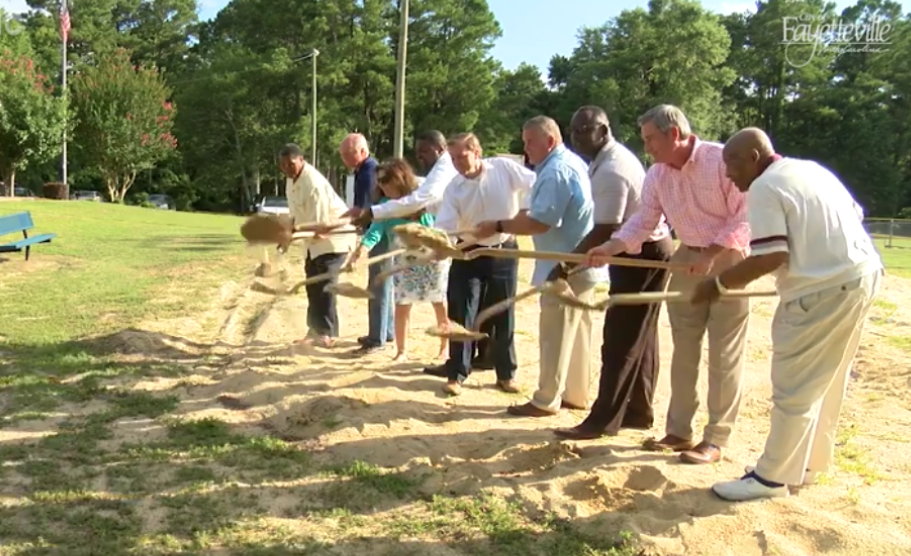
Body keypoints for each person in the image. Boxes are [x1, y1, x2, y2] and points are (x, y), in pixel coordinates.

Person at [689, 128, 883, 501]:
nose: (728, 174)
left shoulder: (764, 187)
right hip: (862, 275)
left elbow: (771, 256)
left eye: (731, 163)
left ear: (755, 157)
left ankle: (772, 479)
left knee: (794, 386)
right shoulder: (810, 170)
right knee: (824, 382)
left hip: (822, 290)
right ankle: (805, 465)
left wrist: (717, 285)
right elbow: (854, 214)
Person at [585, 104, 751, 465]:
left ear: (673, 133)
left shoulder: (723, 160)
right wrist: (610, 247)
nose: (647, 148)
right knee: (685, 348)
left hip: (729, 260)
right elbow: (643, 221)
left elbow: (744, 217)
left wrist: (712, 253)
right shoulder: (658, 173)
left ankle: (715, 438)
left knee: (724, 353)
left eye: (650, 139)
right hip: (686, 259)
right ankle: (679, 430)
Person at [553, 105, 674, 439]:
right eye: (574, 130)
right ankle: (637, 411)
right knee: (642, 337)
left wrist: (564, 266)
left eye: (584, 130)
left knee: (620, 339)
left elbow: (606, 229)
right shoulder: (607, 160)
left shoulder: (611, 170)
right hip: (639, 248)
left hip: (643, 255)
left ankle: (602, 421)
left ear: (603, 131)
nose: (577, 137)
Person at [476, 116, 596, 417]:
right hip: (581, 263)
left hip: (563, 268)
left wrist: (499, 224)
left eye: (530, 141)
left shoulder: (556, 170)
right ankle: (576, 394)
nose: (525, 148)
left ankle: (546, 400)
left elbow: (540, 221)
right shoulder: (570, 163)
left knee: (555, 334)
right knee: (578, 334)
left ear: (550, 141)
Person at [428, 132, 537, 396]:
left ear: (476, 152)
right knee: (461, 313)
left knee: (503, 313)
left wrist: (523, 213)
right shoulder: (454, 187)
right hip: (468, 254)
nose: (457, 163)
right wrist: (442, 245)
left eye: (462, 156)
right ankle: (456, 373)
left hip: (504, 251)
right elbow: (445, 225)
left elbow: (536, 183)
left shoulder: (503, 168)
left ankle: (506, 374)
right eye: (452, 158)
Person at [345, 158, 449, 362]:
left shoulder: (419, 199)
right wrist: (360, 251)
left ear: (399, 178)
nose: (381, 185)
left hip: (431, 257)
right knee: (402, 304)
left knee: (439, 303)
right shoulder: (385, 205)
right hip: (405, 260)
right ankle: (402, 351)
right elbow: (375, 232)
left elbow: (434, 226)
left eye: (385, 180)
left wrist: (417, 223)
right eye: (379, 182)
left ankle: (445, 348)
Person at [279, 143, 355, 348]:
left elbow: (321, 227)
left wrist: (293, 235)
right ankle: (314, 330)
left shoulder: (313, 183)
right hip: (312, 242)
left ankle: (327, 332)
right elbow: (294, 215)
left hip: (333, 239)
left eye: (291, 164)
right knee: (313, 286)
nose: (287, 168)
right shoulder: (291, 181)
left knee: (325, 285)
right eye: (283, 164)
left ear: (301, 160)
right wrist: (287, 235)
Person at [339, 133, 393, 355]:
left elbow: (366, 209)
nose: (344, 159)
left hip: (381, 234)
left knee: (378, 286)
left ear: (362, 151)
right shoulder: (363, 170)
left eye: (348, 154)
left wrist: (339, 220)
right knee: (384, 284)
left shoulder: (369, 172)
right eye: (342, 155)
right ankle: (386, 331)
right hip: (382, 232)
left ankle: (376, 339)